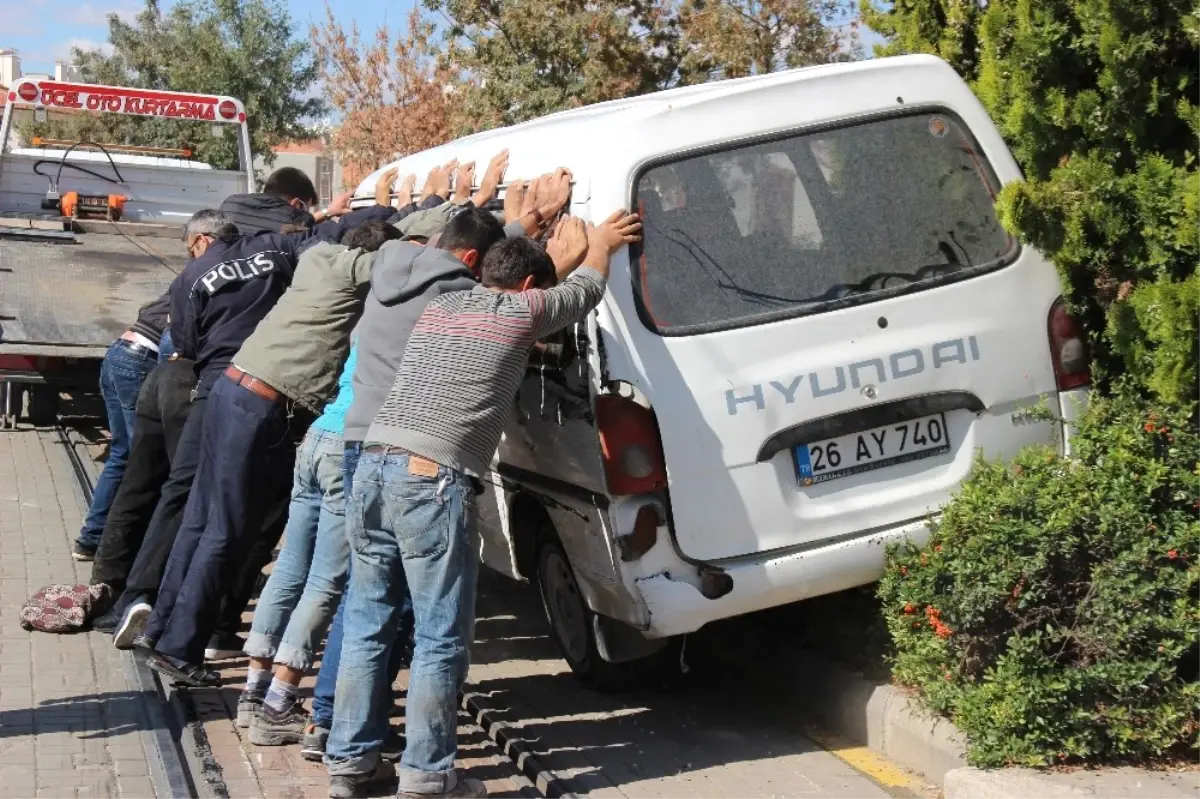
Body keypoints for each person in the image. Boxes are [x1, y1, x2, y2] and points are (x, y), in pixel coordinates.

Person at [325, 209, 640, 799]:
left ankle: (351, 762)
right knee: (440, 636)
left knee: (369, 622)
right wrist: (601, 244)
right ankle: (427, 776)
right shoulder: (522, 311)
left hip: (371, 465)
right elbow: (587, 288)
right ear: (526, 288)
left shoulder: (442, 306)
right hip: (430, 479)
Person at [72, 292, 170, 561]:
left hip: (118, 354)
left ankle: (90, 538)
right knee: (145, 460)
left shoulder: (192, 279)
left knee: (122, 454)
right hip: (141, 360)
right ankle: (127, 546)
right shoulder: (212, 289)